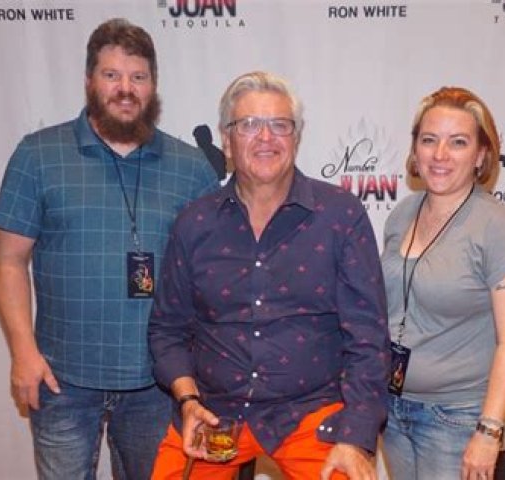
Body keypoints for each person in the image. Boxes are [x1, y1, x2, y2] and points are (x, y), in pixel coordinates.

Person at [0, 18, 218, 479]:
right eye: (112, 75)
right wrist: (23, 354)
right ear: (89, 81)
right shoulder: (38, 155)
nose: (125, 88)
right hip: (62, 379)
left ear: (153, 85)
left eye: (138, 77)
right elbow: (8, 261)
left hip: (158, 384)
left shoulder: (192, 168)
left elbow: (213, 273)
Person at [148, 71, 389, 480]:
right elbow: (167, 329)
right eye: (249, 125)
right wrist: (188, 402)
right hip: (213, 411)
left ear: (296, 137)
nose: (265, 137)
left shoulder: (340, 215)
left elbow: (368, 337)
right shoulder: (194, 223)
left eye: (280, 125)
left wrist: (355, 436)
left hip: (311, 412)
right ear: (227, 141)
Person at [380, 86, 505, 480]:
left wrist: (489, 432)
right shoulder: (401, 215)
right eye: (429, 139)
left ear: (482, 155)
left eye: (458, 142)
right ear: (415, 148)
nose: (440, 154)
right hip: (393, 409)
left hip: (456, 418)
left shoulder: (501, 228)